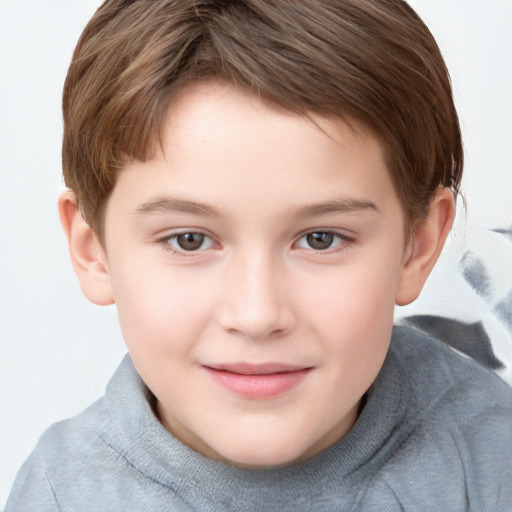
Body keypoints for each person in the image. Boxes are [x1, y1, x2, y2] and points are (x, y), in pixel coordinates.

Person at [6, 0, 512, 510]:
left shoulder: (491, 458)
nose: (257, 315)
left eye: (321, 239)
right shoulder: (60, 495)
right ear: (93, 250)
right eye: (189, 240)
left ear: (417, 247)